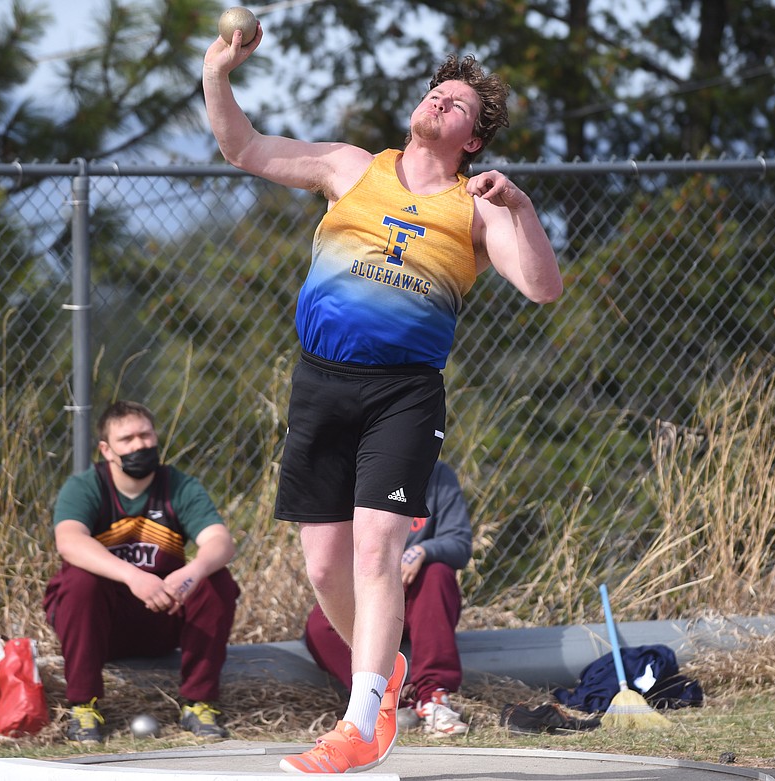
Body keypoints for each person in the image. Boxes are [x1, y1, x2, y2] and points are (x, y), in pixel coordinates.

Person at [203, 20, 562, 774]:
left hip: (402, 393)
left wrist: (523, 208)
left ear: (474, 139)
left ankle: (363, 716)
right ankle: (387, 668)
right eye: (437, 90)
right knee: (327, 567)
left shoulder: (479, 204)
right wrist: (217, 74)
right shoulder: (349, 166)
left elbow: (540, 287)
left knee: (377, 549)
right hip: (319, 383)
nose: (440, 99)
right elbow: (243, 148)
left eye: (458, 102)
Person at [42, 401, 240, 743]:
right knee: (79, 581)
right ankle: (84, 707)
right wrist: (134, 576)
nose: (139, 445)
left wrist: (190, 574)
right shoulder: (86, 486)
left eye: (145, 435)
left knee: (216, 581)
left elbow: (220, 542)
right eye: (127, 439)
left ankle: (199, 703)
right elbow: (69, 541)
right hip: (102, 625)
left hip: (163, 616)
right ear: (106, 449)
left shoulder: (178, 486)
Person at [304, 460, 473, 737]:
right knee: (318, 626)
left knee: (438, 573)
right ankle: (386, 699)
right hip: (368, 592)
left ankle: (433, 697)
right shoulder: (354, 472)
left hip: (417, 594)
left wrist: (424, 551)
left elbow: (459, 543)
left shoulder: (437, 476)